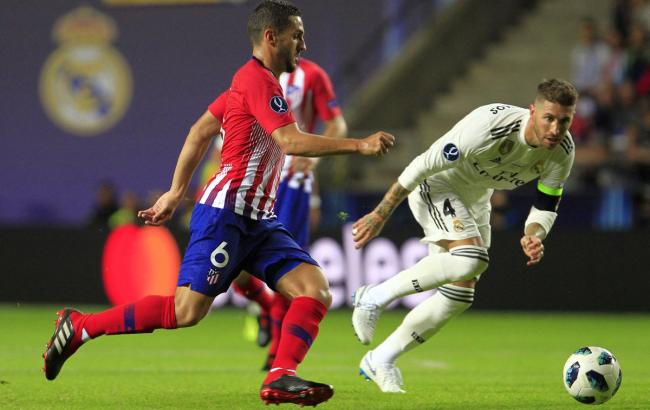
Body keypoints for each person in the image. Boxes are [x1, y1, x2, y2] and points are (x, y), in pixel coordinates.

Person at [42, 1, 394, 407]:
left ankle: (280, 375)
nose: (303, 44)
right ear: (271, 37)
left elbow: (200, 131)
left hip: (258, 219)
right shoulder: (256, 81)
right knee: (186, 311)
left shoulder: (250, 85)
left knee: (314, 289)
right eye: (297, 35)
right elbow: (289, 141)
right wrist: (359, 145)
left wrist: (176, 191)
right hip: (226, 214)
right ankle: (81, 326)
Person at [350, 78, 578, 393]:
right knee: (471, 259)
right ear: (532, 111)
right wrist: (380, 213)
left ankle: (381, 359)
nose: (555, 128)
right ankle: (373, 297)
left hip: (477, 198)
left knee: (459, 296)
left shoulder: (563, 151)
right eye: (548, 118)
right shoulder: (489, 128)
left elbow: (546, 203)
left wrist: (533, 233)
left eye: (564, 121)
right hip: (437, 184)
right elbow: (421, 165)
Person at [218, 56, 348, 369]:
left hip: (292, 181)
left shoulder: (313, 74)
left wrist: (313, 163)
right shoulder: (251, 77)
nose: (300, 43)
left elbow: (337, 123)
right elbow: (226, 129)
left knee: (286, 267)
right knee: (233, 267)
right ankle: (263, 307)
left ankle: (277, 351)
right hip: (250, 179)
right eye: (295, 35)